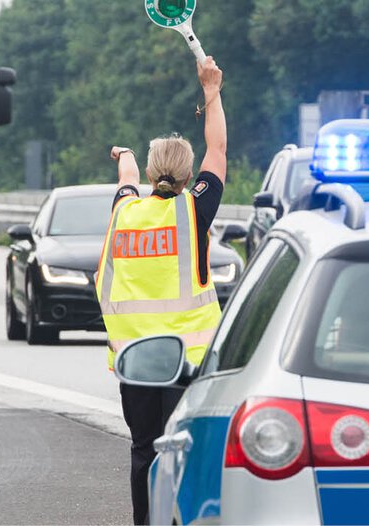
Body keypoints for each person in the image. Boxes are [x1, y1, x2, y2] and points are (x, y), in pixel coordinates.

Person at [95, 56, 226, 525]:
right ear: (188, 177)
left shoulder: (125, 213)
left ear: (153, 175)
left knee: (143, 449)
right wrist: (211, 91)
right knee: (187, 450)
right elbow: (218, 148)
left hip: (135, 360)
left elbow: (126, 181)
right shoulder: (193, 212)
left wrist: (124, 154)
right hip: (189, 362)